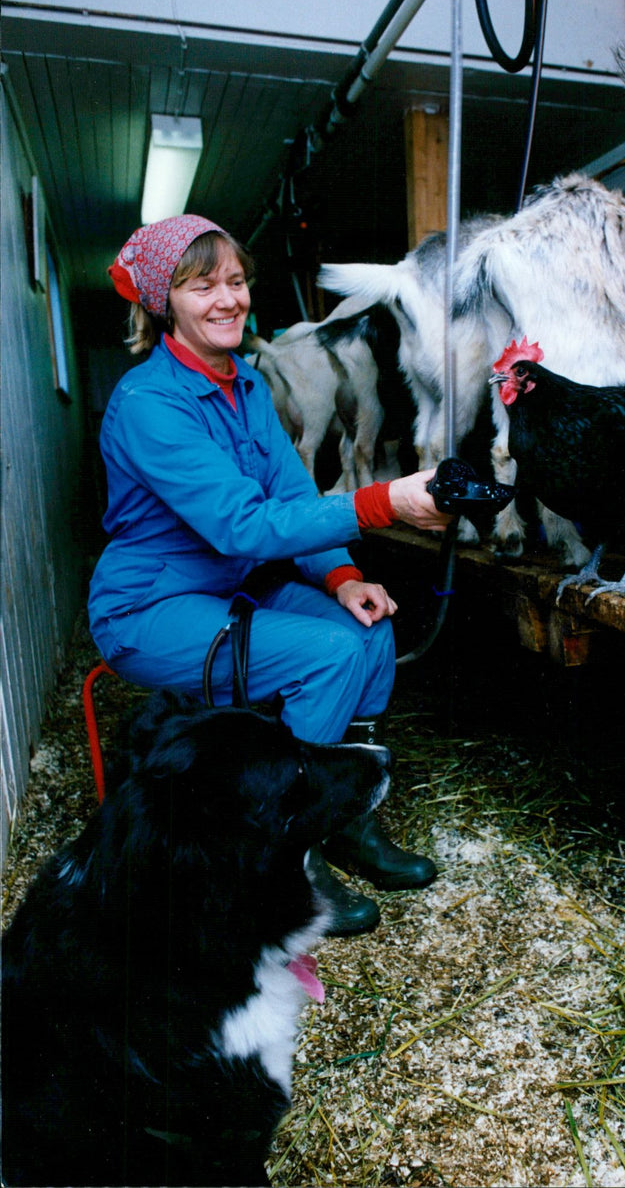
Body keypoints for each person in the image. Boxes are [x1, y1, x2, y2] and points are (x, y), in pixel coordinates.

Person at [89, 214, 452, 937]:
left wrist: (344, 574)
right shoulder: (148, 403)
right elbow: (242, 526)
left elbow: (291, 498)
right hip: (150, 608)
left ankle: (346, 818)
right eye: (203, 286)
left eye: (236, 280)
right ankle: (283, 853)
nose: (228, 299)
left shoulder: (248, 385)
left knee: (366, 627)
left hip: (229, 590)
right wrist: (383, 502)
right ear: (166, 301)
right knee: (329, 653)